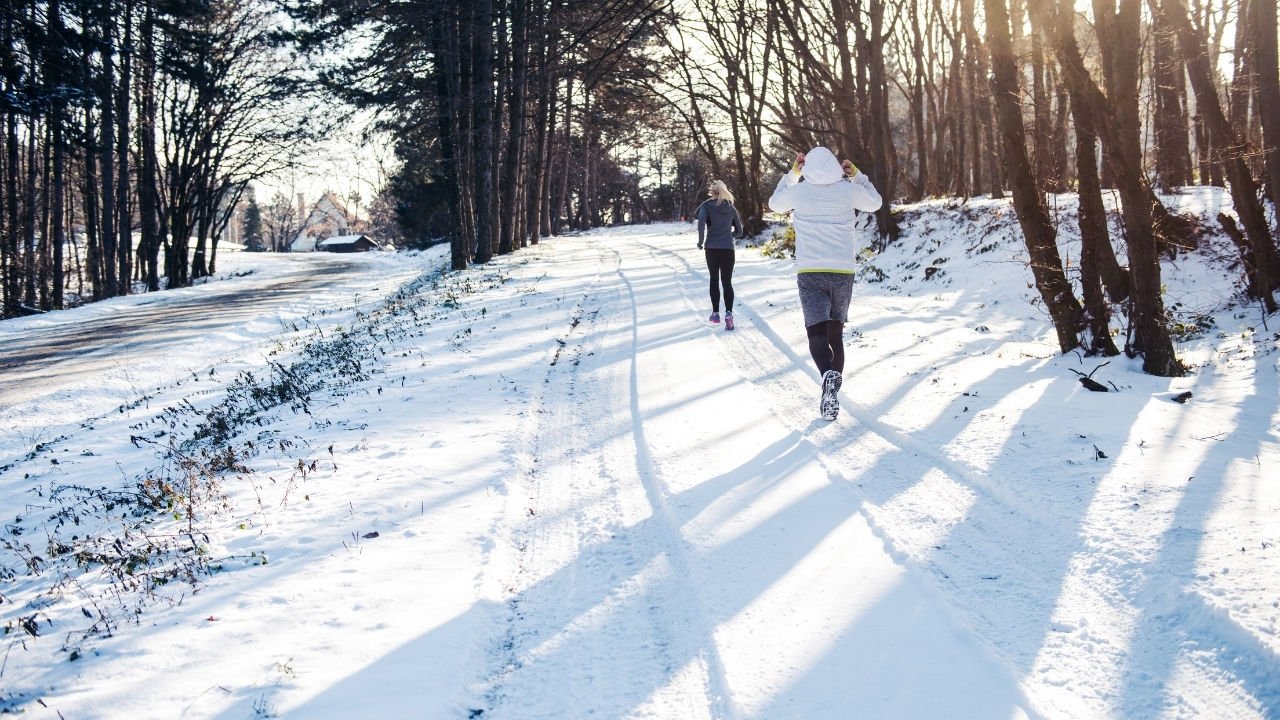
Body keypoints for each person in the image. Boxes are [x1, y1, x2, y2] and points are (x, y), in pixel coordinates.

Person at [767, 146, 882, 420]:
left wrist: (793, 173)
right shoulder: (846, 189)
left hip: (810, 271)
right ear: (834, 165)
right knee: (836, 334)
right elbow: (875, 202)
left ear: (806, 167)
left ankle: (826, 375)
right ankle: (832, 392)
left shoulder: (799, 190)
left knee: (816, 333)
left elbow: (774, 203)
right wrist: (857, 176)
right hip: (843, 271)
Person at [696, 180, 744, 330]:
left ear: (712, 192)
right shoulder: (731, 208)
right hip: (728, 249)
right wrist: (730, 236)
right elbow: (740, 231)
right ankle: (729, 314)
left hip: (711, 248)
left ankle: (715, 314)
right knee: (727, 282)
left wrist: (700, 241)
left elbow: (699, 220)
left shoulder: (706, 206)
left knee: (714, 279)